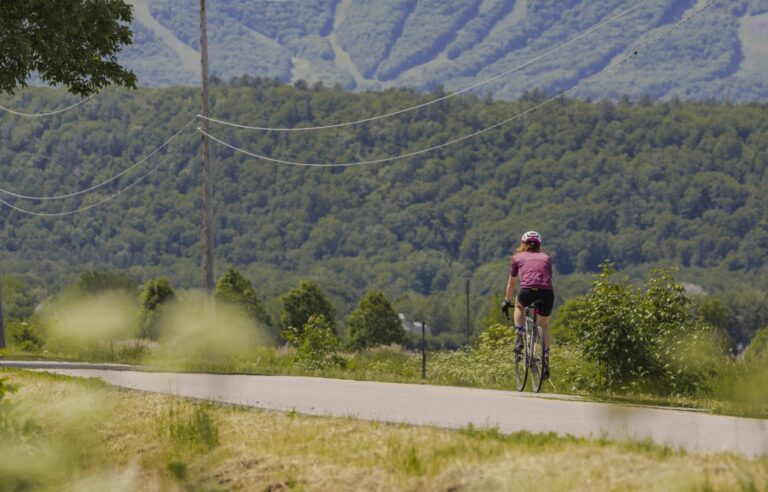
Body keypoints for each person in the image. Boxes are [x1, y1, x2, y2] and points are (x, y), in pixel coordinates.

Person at [501, 231, 555, 379]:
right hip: (547, 293)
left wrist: (507, 301)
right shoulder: (546, 258)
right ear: (539, 245)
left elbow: (511, 283)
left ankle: (519, 335)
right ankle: (545, 359)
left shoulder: (517, 258)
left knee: (519, 306)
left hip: (527, 291)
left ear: (523, 244)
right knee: (543, 326)